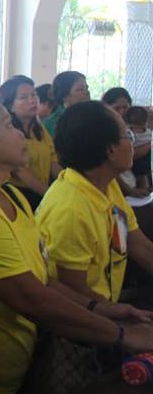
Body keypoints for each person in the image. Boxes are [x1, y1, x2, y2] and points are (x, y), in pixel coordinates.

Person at [0, 94, 153, 394]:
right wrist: (123, 335)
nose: (21, 132)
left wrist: (101, 308)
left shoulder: (13, 198)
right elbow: (33, 299)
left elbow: (42, 280)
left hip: (13, 368)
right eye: (8, 124)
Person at [37, 101, 153, 304]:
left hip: (109, 301)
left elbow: (138, 244)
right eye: (128, 135)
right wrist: (122, 325)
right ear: (110, 150)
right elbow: (75, 293)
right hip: (84, 320)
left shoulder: (107, 185)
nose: (132, 144)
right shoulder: (71, 209)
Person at [0, 75, 61, 208]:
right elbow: (19, 171)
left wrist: (65, 186)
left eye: (34, 95)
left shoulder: (39, 128)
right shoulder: (7, 132)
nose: (32, 100)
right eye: (23, 97)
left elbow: (53, 161)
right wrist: (50, 194)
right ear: (10, 106)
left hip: (45, 192)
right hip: (19, 196)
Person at [41, 70, 89, 137]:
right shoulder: (51, 124)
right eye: (80, 89)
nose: (86, 92)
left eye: (86, 88)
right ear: (64, 95)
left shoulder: (91, 117)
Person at [126, 106, 152, 195]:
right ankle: (145, 189)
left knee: (140, 175)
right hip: (144, 161)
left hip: (135, 161)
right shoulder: (149, 132)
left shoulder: (128, 132)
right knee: (143, 175)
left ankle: (144, 189)